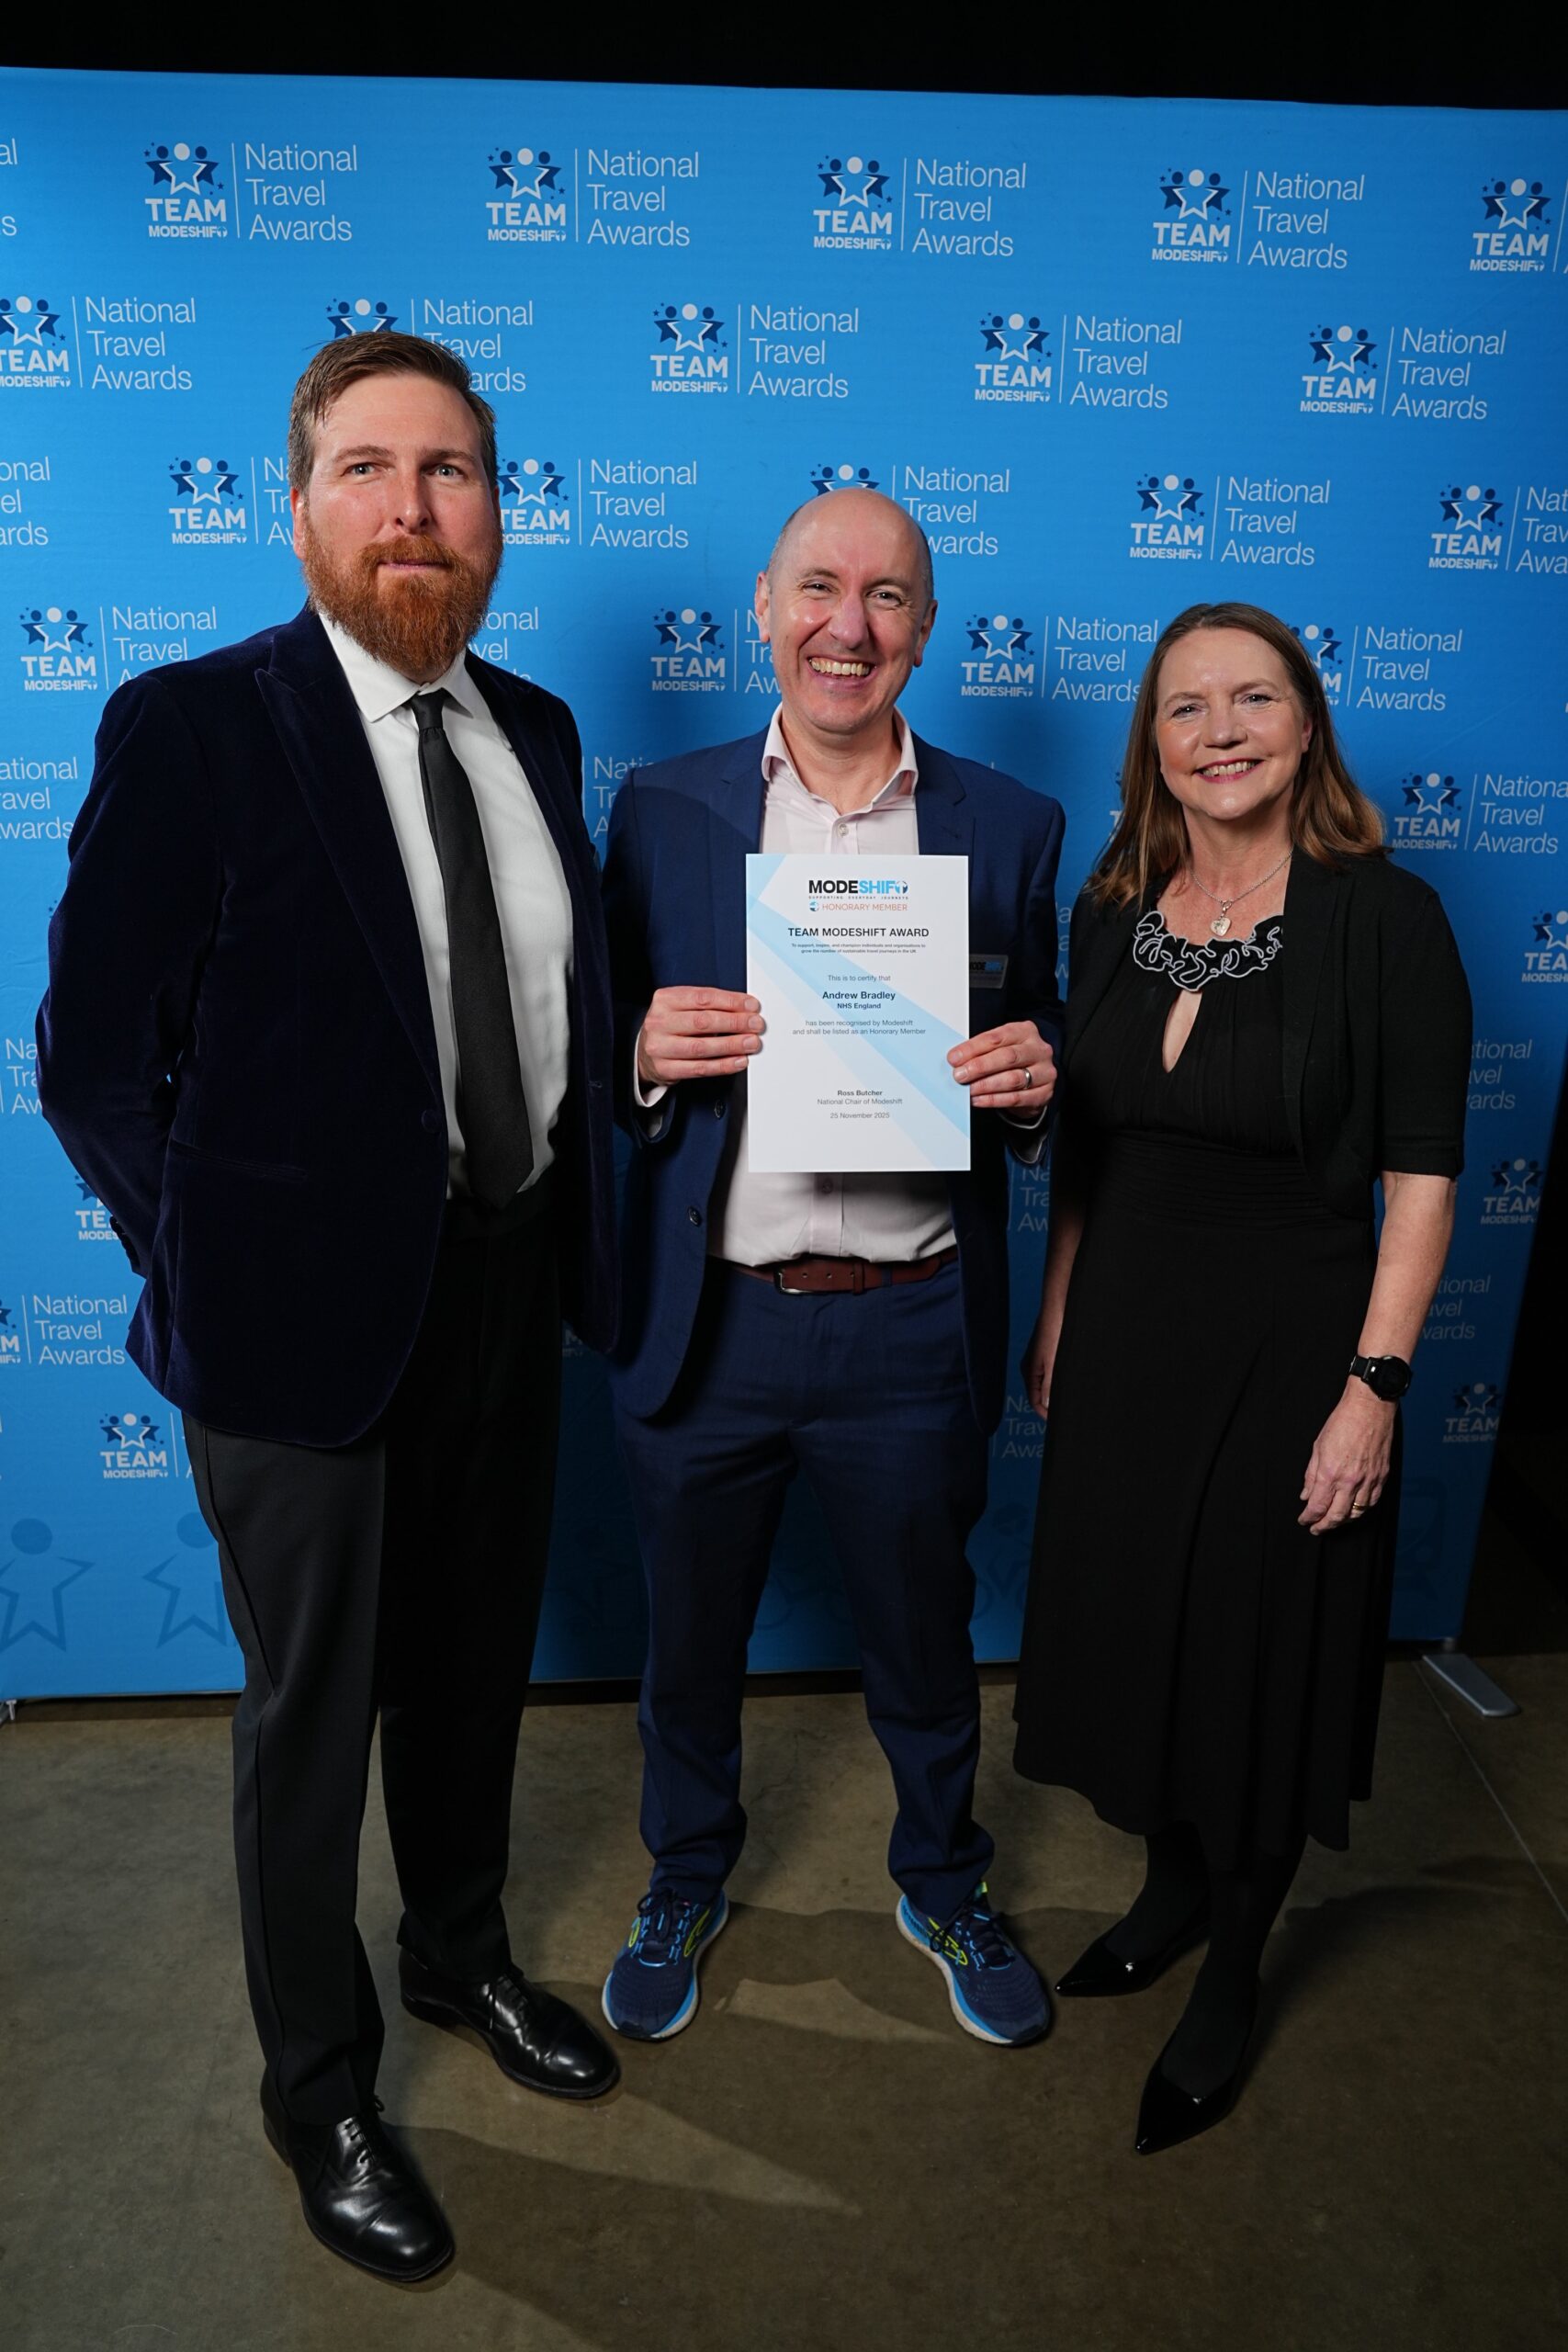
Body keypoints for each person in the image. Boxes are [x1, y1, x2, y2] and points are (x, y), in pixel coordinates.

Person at [37, 332, 619, 2281]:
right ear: (297, 505)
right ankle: (323, 2087)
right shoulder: (196, 725)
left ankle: (460, 1957)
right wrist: (190, 1257)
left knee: (470, 1670)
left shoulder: (533, 731)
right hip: (294, 1332)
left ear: (496, 507)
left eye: (448, 469)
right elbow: (91, 1052)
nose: (411, 507)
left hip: (507, 1279)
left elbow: (543, 1015)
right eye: (366, 468)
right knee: (313, 1718)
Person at [600, 487, 1065, 2050]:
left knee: (925, 1645)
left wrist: (1037, 1074)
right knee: (687, 1642)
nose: (846, 626)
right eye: (817, 589)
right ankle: (686, 1872)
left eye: (885, 597)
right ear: (762, 606)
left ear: (926, 628)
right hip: (711, 1318)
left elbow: (1045, 1028)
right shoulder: (661, 808)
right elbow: (594, 1054)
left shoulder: (1010, 824)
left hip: (912, 1322)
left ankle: (940, 1877)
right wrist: (644, 1058)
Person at [1012, 601, 1470, 2154]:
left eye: (1253, 700)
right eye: (1188, 706)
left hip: (1296, 1339)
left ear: (1307, 724)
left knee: (1257, 1657)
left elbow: (1420, 1182)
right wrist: (1060, 1305)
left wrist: (1376, 1389)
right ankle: (1171, 1886)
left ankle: (1236, 1969)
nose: (1221, 730)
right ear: (1154, 742)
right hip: (1129, 1327)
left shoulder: (1385, 920)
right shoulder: (1113, 905)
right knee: (1141, 1632)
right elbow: (1085, 1146)